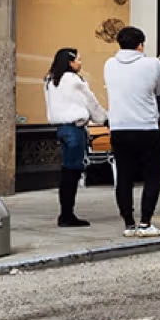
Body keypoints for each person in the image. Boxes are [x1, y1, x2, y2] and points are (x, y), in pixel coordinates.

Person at [103, 27, 160, 238]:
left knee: (124, 176)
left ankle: (128, 223)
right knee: (152, 175)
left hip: (119, 126)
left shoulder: (109, 64)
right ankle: (145, 222)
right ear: (141, 44)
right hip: (145, 126)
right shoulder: (153, 64)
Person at [41, 48, 104, 229]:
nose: (80, 63)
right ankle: (67, 214)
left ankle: (66, 212)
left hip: (61, 128)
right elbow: (90, 101)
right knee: (73, 172)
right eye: (78, 59)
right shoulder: (74, 81)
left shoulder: (50, 80)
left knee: (68, 171)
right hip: (75, 129)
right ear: (70, 62)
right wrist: (103, 118)